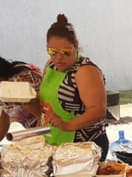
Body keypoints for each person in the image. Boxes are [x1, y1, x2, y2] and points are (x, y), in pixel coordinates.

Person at [40, 14, 109, 162]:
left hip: (84, 145)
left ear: (76, 45)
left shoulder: (85, 71)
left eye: (66, 52)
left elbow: (98, 111)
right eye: (52, 52)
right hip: (56, 140)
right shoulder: (50, 66)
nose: (58, 58)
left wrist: (66, 125)